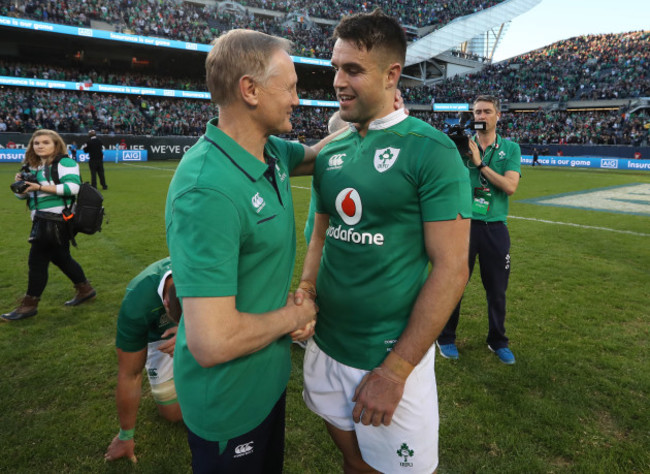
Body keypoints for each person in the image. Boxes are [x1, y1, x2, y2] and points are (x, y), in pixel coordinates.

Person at [296, 10, 472, 473]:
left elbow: (452, 269)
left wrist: (395, 371)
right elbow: (321, 232)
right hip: (327, 346)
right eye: (336, 66)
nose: (337, 80)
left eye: (352, 69)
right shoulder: (331, 150)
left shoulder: (430, 150)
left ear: (393, 74)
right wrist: (307, 289)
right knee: (355, 464)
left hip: (389, 358)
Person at [166, 29, 343, 473]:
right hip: (228, 399)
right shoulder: (206, 190)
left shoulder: (271, 154)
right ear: (249, 89)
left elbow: (320, 153)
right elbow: (212, 342)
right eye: (290, 87)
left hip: (264, 382)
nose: (298, 100)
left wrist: (374, 117)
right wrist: (295, 315)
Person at [436, 95, 521, 365]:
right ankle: (446, 337)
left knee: (497, 289)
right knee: (455, 284)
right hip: (463, 225)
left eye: (486, 111)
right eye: (477, 112)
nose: (481, 116)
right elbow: (444, 181)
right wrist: (456, 151)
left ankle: (498, 341)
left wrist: (480, 162)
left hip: (495, 226)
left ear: (498, 115)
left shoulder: (510, 148)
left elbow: (510, 186)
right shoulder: (460, 146)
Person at [2, 129, 96, 322]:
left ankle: (29, 305)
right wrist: (20, 186)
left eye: (45, 142)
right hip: (40, 218)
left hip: (56, 219)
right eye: (36, 143)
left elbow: (73, 188)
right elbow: (22, 196)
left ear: (56, 144)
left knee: (36, 261)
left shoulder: (64, 162)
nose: (40, 146)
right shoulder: (32, 166)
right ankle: (85, 289)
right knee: (61, 258)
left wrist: (39, 187)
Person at [104, 257, 183, 464]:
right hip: (160, 339)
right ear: (165, 303)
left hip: (203, 330)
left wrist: (188, 334)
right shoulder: (137, 302)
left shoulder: (207, 272)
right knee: (172, 414)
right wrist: (125, 436)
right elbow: (130, 373)